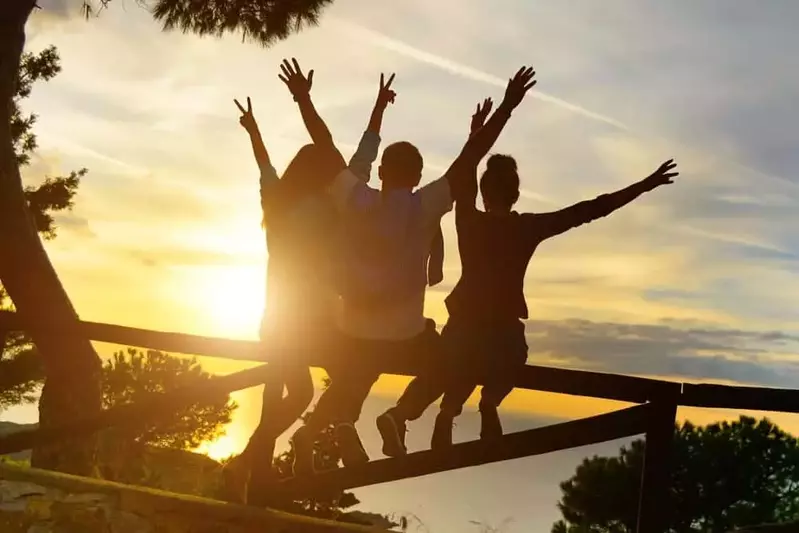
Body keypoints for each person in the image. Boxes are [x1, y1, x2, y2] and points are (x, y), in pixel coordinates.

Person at [276, 58, 537, 474]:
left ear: (381, 172)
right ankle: (398, 416)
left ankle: (310, 435)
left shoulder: (356, 198)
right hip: (403, 337)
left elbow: (324, 147)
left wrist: (302, 98)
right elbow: (472, 157)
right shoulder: (426, 205)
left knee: (353, 376)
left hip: (354, 332)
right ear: (417, 177)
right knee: (451, 359)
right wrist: (507, 105)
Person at [378, 137, 680, 452]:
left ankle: (410, 413)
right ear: (516, 195)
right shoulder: (527, 228)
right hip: (502, 330)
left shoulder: (468, 220)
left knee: (448, 364)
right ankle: (488, 404)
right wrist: (643, 186)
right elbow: (590, 210)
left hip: (464, 323)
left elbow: (464, 173)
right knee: (511, 357)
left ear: (484, 193)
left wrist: (477, 134)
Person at [221, 86, 389, 503]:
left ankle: (250, 466)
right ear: (322, 177)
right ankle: (258, 462)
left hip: (276, 318)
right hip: (316, 321)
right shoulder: (334, 209)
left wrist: (254, 131)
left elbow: (265, 168)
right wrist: (377, 111)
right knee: (351, 371)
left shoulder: (276, 204)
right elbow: (360, 164)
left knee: (284, 391)